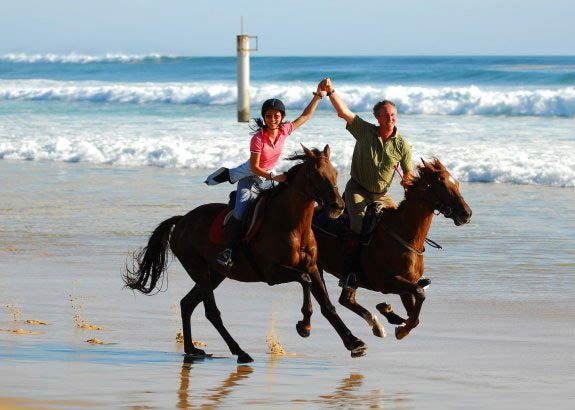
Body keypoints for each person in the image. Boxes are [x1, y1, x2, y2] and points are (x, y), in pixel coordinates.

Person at [205, 81, 326, 268]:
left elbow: (305, 116)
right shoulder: (258, 139)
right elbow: (254, 168)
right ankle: (228, 251)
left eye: (276, 116)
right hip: (250, 177)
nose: (272, 119)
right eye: (268, 116)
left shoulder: (284, 131)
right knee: (239, 213)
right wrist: (275, 177)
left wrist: (318, 95)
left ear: (282, 117)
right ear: (264, 117)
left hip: (269, 176)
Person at [320, 78, 414, 287]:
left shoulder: (403, 145)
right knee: (360, 224)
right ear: (377, 117)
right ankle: (350, 272)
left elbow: (409, 175)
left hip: (381, 193)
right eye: (386, 115)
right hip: (358, 189)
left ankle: (400, 269)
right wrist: (331, 91)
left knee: (399, 226)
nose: (390, 118)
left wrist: (408, 184)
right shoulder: (365, 131)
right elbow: (344, 112)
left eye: (393, 115)